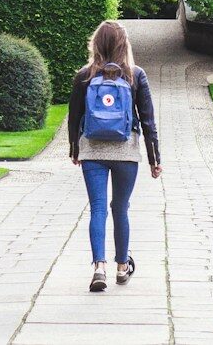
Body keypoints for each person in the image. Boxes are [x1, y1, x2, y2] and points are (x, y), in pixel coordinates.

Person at [69, 20, 162, 293]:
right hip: (126, 151)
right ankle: (122, 267)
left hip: (92, 150)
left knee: (97, 208)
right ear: (124, 44)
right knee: (120, 208)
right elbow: (148, 121)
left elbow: (73, 118)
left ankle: (99, 266)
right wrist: (154, 159)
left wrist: (75, 150)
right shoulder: (135, 75)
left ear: (96, 43)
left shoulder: (85, 75)